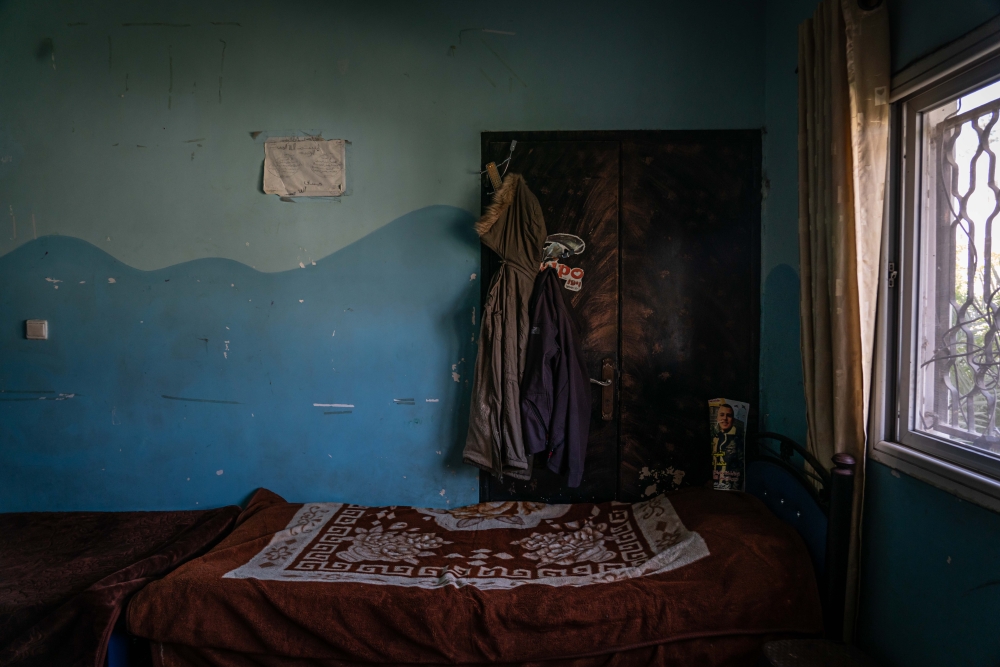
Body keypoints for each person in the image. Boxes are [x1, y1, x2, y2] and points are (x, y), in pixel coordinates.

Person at [712, 404, 745, 489]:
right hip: (714, 488)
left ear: (733, 420)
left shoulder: (738, 440)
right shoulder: (714, 438)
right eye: (722, 415)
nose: (725, 418)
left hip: (730, 490)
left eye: (729, 415)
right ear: (717, 418)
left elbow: (741, 469)